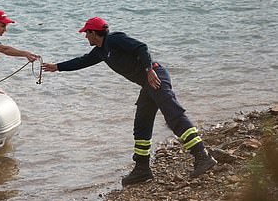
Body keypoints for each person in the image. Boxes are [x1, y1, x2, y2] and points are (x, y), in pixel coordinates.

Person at [42, 16, 217, 186]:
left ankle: (202, 156)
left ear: (94, 33)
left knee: (174, 115)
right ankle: (142, 169)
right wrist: (57, 67)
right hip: (146, 84)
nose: (85, 36)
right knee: (141, 124)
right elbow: (82, 61)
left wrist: (149, 70)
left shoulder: (115, 39)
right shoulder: (101, 52)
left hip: (155, 77)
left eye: (86, 33)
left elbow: (142, 47)